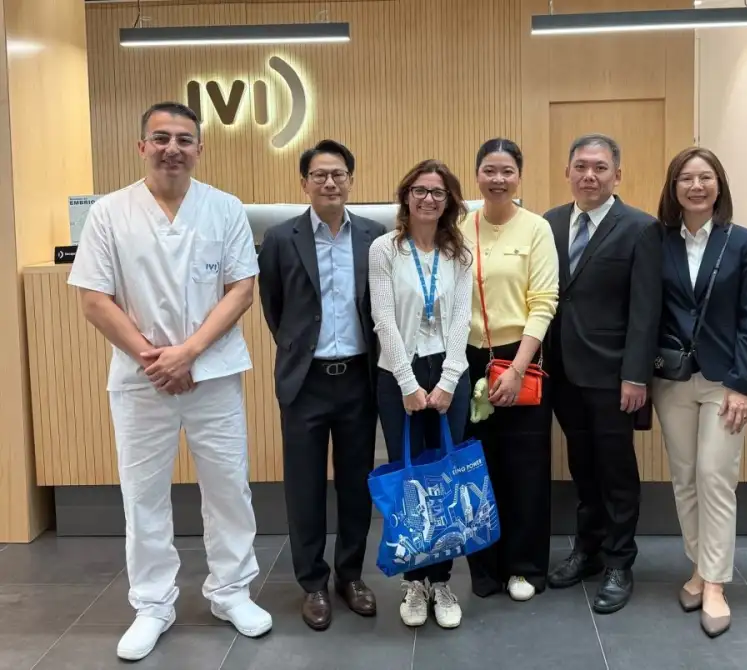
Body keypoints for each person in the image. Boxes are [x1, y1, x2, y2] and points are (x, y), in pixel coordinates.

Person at [67, 101, 272, 661]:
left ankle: (231, 592)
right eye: (161, 138)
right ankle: (153, 604)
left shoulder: (224, 207)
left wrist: (188, 354)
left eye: (184, 139)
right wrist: (155, 359)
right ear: (142, 147)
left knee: (228, 487)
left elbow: (241, 290)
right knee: (143, 494)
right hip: (141, 380)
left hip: (213, 373)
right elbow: (93, 298)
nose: (172, 148)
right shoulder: (110, 212)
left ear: (200, 148)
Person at [257, 140, 386, 631]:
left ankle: (350, 575)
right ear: (304, 183)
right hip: (305, 382)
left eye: (338, 174)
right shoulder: (280, 239)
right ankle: (313, 582)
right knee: (304, 486)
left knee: (356, 484)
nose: (329, 183)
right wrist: (299, 351)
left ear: (351, 180)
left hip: (358, 378)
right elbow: (274, 307)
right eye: (319, 175)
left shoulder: (374, 237)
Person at [651, 147, 747, 637]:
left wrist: (743, 385)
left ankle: (715, 583)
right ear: (673, 187)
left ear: (719, 185)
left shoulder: (743, 242)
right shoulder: (656, 240)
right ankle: (699, 567)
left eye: (705, 177)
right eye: (686, 178)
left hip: (724, 381)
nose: (696, 186)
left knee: (715, 476)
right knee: (684, 478)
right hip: (672, 378)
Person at [544, 134, 661, 614]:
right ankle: (588, 549)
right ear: (567, 171)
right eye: (580, 166)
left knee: (616, 470)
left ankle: (619, 561)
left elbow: (646, 310)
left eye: (599, 167)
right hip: (561, 370)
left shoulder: (640, 228)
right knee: (582, 465)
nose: (589, 176)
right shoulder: (549, 223)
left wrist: (636, 375)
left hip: (614, 375)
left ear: (617, 174)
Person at [369, 159, 473, 628]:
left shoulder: (459, 253)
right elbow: (383, 319)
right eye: (420, 190)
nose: (428, 199)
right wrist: (407, 383)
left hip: (449, 369)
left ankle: (443, 581)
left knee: (445, 477)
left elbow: (461, 319)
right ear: (406, 196)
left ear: (449, 201)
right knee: (409, 477)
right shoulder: (385, 249)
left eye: (438, 192)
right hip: (400, 372)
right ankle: (414, 581)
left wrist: (448, 380)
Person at [460, 138, 559, 602]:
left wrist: (518, 367)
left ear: (519, 176)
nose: (498, 179)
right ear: (477, 174)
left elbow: (544, 301)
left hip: (521, 357)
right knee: (476, 466)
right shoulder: (459, 227)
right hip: (466, 359)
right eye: (489, 170)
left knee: (525, 467)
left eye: (507, 171)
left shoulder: (537, 228)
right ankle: (484, 568)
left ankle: (524, 567)